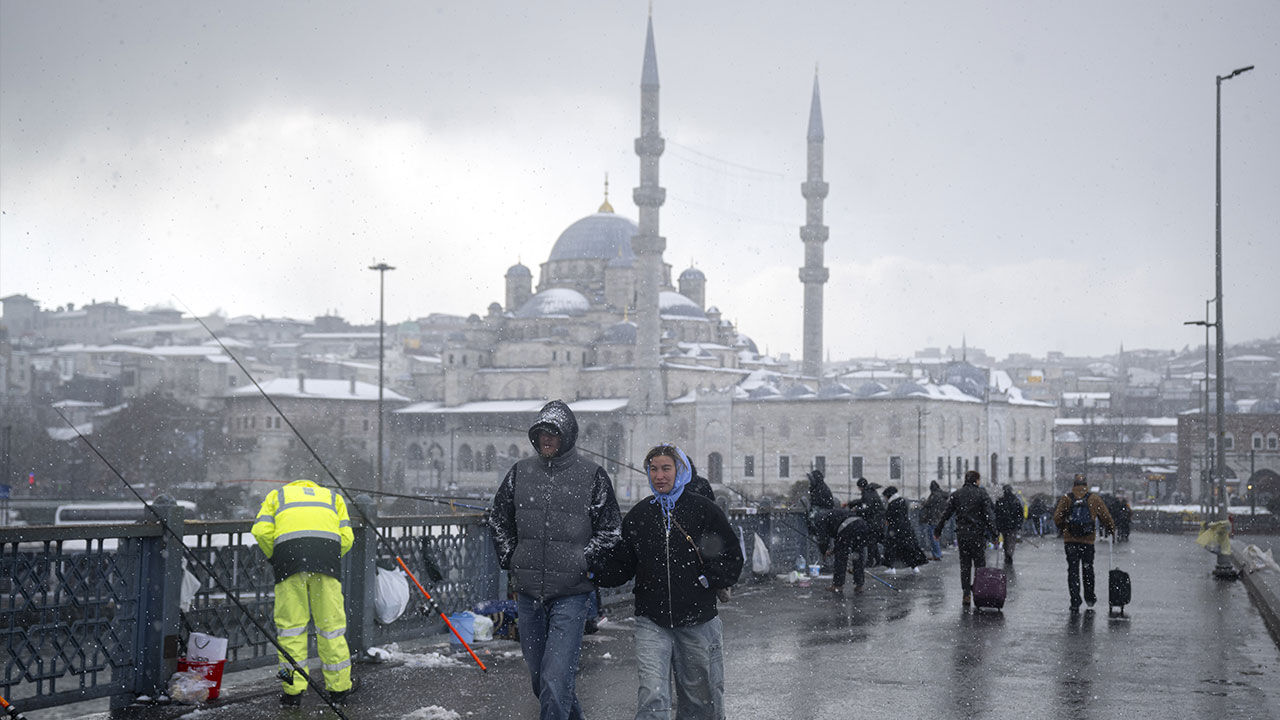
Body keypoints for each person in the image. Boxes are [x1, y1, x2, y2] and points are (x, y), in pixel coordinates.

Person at [489, 400, 623, 720]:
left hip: (572, 594)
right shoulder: (519, 472)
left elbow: (610, 530)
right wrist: (512, 557)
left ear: (568, 436)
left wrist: (583, 561)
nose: (546, 439)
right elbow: (498, 519)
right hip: (528, 592)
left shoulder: (592, 475)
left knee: (555, 678)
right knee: (541, 680)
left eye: (553, 433)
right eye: (541, 433)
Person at [603, 444, 743, 720]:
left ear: (680, 471)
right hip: (652, 620)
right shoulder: (640, 515)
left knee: (699, 699)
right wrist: (592, 568)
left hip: (697, 618)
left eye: (666, 468)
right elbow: (622, 565)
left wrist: (707, 580)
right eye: (653, 469)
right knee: (652, 693)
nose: (659, 476)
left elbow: (731, 554)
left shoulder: (702, 509)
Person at [252, 478, 356, 706]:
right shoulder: (333, 498)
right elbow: (347, 538)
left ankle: (292, 692)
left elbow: (260, 531)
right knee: (331, 629)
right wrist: (330, 556)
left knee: (291, 629)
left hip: (289, 564)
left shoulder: (277, 496)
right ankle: (339, 689)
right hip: (326, 564)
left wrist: (276, 556)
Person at [933, 470, 997, 608]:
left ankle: (966, 593)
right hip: (978, 535)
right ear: (977, 480)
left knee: (965, 565)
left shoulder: (957, 495)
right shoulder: (982, 494)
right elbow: (988, 516)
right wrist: (994, 534)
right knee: (980, 565)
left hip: (963, 535)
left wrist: (938, 530)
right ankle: (980, 592)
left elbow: (946, 514)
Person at [1052, 475, 1116, 613]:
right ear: (1086, 484)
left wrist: (1065, 529)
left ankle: (1075, 600)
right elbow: (1105, 516)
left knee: (1073, 571)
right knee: (1088, 569)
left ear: (1074, 484)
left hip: (1070, 542)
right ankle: (1090, 597)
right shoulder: (1094, 498)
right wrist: (1111, 529)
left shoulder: (1066, 498)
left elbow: (1057, 518)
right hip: (1087, 541)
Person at [812, 506, 871, 594]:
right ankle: (859, 585)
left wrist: (823, 551)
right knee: (857, 556)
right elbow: (839, 540)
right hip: (861, 524)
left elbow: (824, 539)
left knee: (841, 558)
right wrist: (833, 551)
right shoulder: (831, 513)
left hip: (847, 527)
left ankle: (837, 585)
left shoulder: (821, 520)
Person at [881, 486, 928, 574]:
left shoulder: (892, 504)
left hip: (895, 530)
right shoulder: (903, 501)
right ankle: (914, 567)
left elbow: (889, 517)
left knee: (892, 548)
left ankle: (891, 568)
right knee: (909, 548)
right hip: (906, 528)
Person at [850, 478, 886, 566]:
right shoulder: (871, 492)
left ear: (861, 487)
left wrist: (856, 509)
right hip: (878, 520)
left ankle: (870, 561)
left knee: (871, 541)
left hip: (874, 521)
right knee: (873, 540)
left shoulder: (867, 494)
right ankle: (877, 560)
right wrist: (853, 503)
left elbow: (868, 508)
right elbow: (865, 503)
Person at [994, 485, 1025, 566]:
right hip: (1012, 525)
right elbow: (1020, 513)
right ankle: (1009, 554)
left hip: (1003, 525)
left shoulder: (1000, 501)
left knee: (1006, 540)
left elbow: (996, 514)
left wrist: (997, 525)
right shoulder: (1015, 500)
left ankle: (1007, 554)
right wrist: (1019, 524)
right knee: (1011, 540)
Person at [918, 480, 948, 560]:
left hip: (933, 519)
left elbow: (927, 504)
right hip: (940, 519)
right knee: (937, 537)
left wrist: (922, 503)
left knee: (933, 537)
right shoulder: (942, 495)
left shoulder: (934, 495)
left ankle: (937, 554)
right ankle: (938, 553)